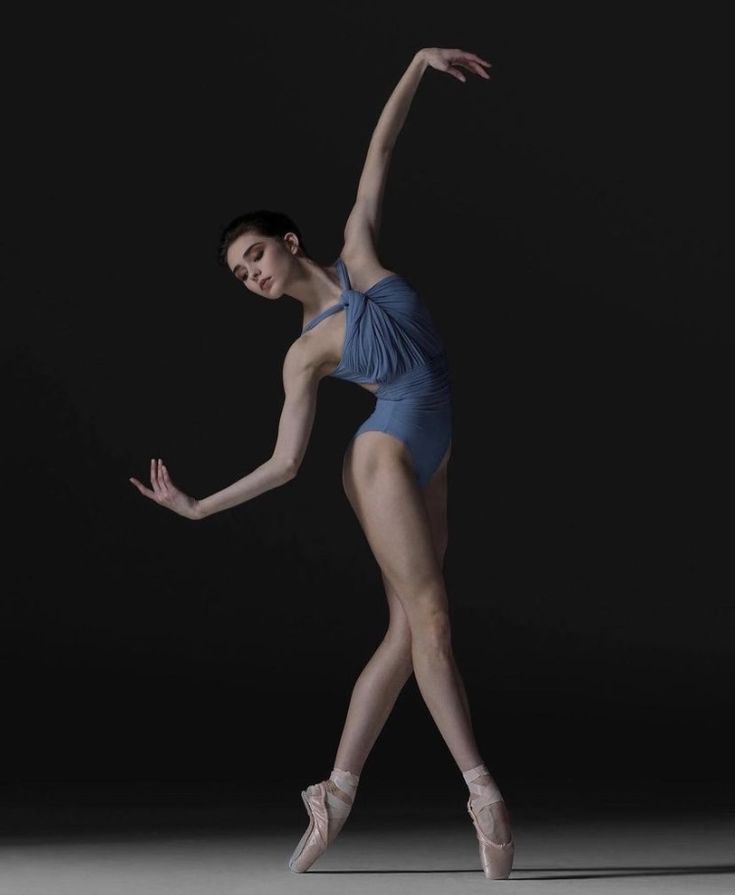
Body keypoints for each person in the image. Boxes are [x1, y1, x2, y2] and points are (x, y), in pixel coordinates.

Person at [130, 47, 513, 880]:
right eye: (239, 276)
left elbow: (379, 153)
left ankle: (333, 791)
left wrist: (415, 65)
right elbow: (283, 462)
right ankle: (481, 791)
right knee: (435, 623)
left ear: (289, 242)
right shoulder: (304, 356)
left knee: (406, 630)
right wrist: (197, 508)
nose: (252, 277)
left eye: (256, 258)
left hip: (434, 452)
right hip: (381, 457)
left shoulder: (360, 257)